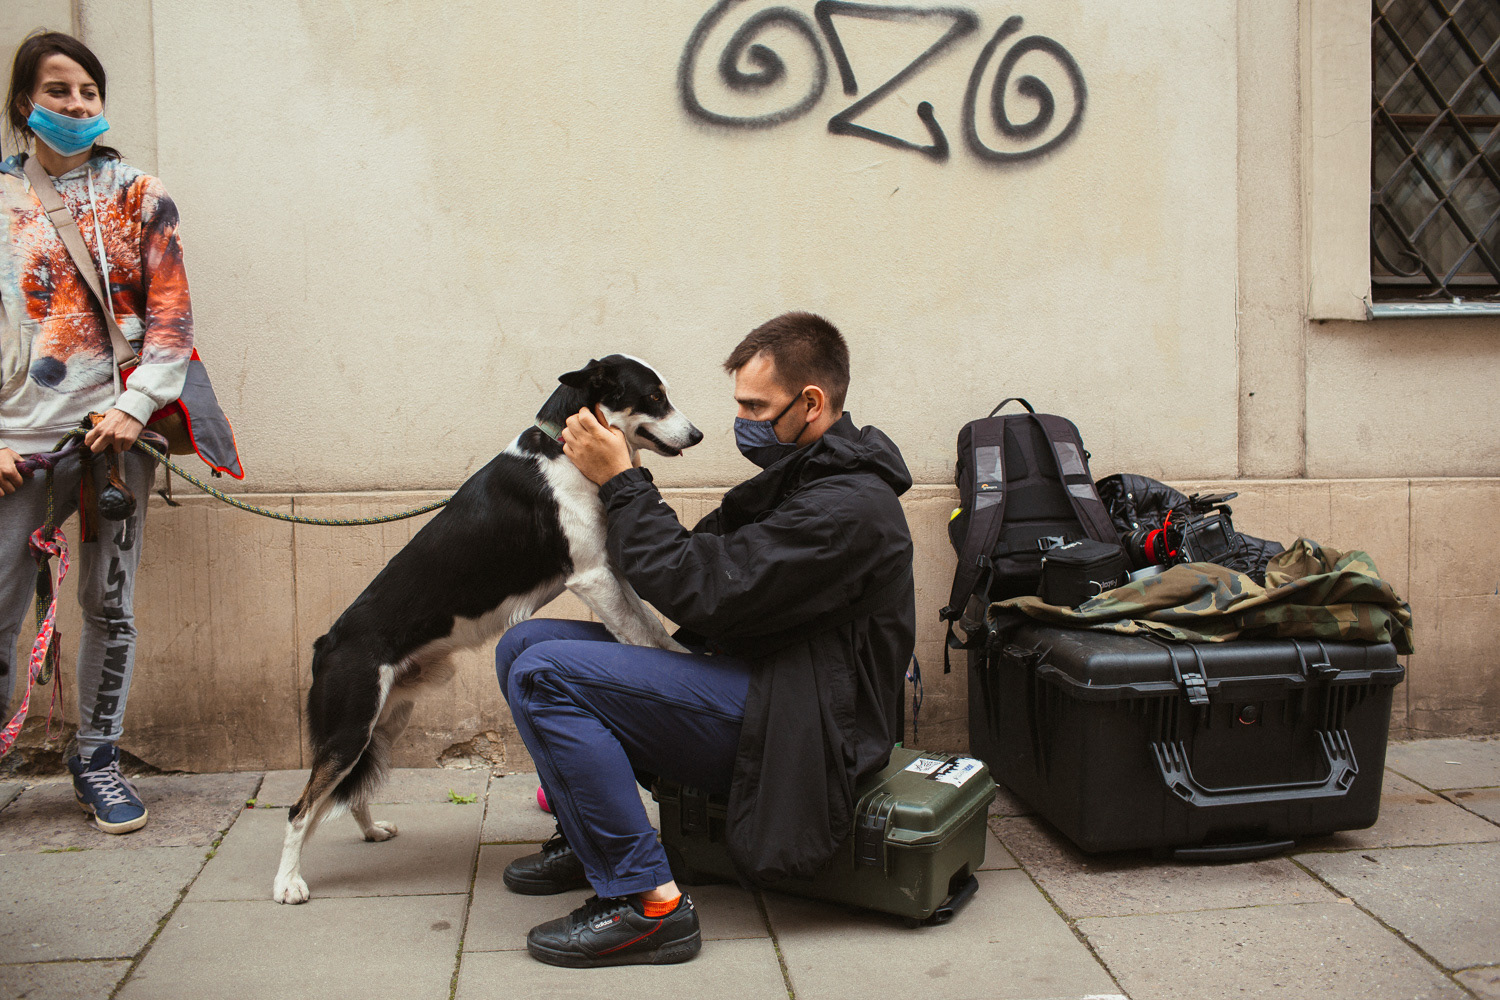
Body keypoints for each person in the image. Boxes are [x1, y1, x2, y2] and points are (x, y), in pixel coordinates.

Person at [494, 312, 915, 968]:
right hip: (763, 680)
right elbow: (697, 561)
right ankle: (590, 838)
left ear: (811, 403)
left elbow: (703, 590)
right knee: (521, 646)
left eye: (755, 406)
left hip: (803, 725)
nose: (742, 420)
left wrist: (623, 481)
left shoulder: (848, 510)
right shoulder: (803, 479)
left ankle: (649, 907)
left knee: (545, 673)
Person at [0, 31, 195, 833]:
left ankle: (98, 758)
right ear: (24, 105)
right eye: (59, 91)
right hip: (13, 449)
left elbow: (172, 316)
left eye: (89, 91)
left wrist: (135, 405)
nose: (78, 106)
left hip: (110, 444)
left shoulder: (137, 194)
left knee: (110, 608)